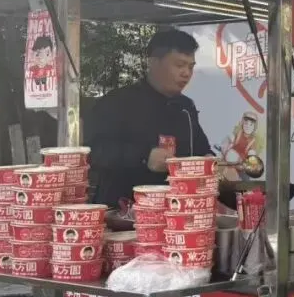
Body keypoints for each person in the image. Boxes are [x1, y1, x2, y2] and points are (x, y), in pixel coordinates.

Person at [86, 29, 213, 208]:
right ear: (153, 63)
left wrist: (210, 161)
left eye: (191, 67)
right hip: (124, 210)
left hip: (176, 210)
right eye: (179, 65)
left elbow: (201, 149)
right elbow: (94, 151)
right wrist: (144, 157)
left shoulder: (185, 107)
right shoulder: (119, 102)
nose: (186, 73)